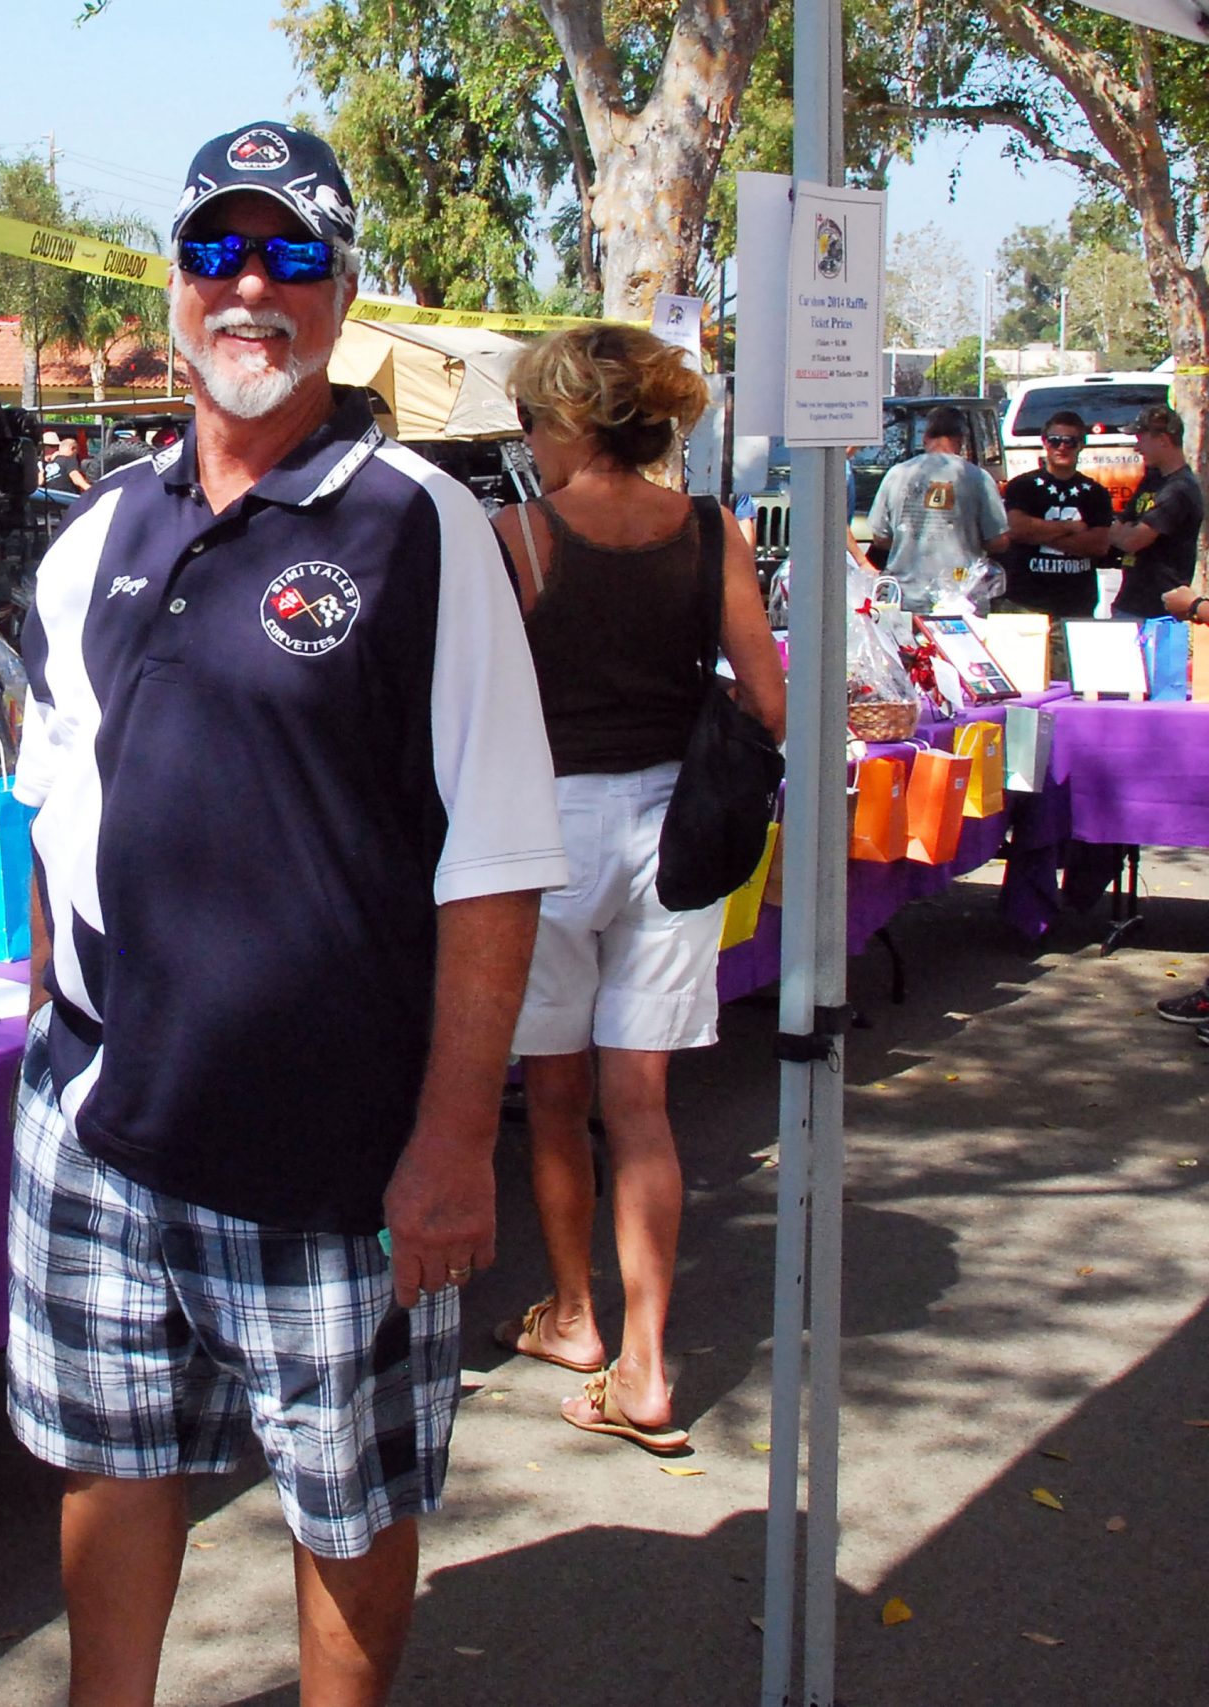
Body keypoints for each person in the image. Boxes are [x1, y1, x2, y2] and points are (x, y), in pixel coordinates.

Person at [8, 120, 568, 1706]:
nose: (250, 287)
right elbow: (63, 798)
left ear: (341, 292)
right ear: (175, 283)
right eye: (219, 253)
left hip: (335, 1147)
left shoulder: (416, 525)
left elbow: (500, 854)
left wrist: (457, 1137)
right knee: (111, 1460)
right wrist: (44, 1017)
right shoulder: (92, 537)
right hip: (103, 1121)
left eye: (292, 255)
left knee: (349, 1495)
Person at [489, 325, 787, 1455]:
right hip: (674, 827)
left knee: (554, 1098)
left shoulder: (514, 536)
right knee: (643, 1106)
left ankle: (573, 1315)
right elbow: (764, 698)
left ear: (566, 421)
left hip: (545, 831)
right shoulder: (714, 532)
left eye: (529, 422)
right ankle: (647, 1366)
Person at [998, 409, 1117, 680]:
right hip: (1025, 604)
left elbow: (1098, 545)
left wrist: (1040, 532)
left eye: (1070, 441)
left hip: (1074, 607)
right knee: (1023, 684)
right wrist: (1070, 528)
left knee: (1069, 686)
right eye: (1055, 440)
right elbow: (1017, 529)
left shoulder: (1095, 493)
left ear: (1081, 445)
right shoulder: (1022, 487)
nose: (1062, 446)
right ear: (1044, 442)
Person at [866, 404, 1012, 609]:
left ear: (925, 437)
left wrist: (911, 541)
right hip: (960, 598)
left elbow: (880, 538)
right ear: (961, 439)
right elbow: (998, 541)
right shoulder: (977, 477)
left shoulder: (896, 474)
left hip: (905, 596)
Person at [1108, 405, 1204, 618]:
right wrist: (1125, 531)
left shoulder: (1180, 489)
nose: (1137, 447)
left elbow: (1133, 540)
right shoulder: (1152, 479)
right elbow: (1117, 528)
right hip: (1129, 601)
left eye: (1141, 438)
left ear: (1163, 439)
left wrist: (1127, 532)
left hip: (1159, 610)